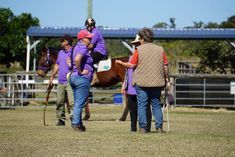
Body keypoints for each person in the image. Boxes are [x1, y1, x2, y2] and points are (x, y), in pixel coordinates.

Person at [116, 28, 170, 133]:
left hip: (142, 82)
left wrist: (121, 63)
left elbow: (132, 65)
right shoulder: (160, 49)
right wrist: (167, 78)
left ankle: (142, 127)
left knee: (142, 104)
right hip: (157, 82)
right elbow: (165, 66)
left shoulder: (138, 50)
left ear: (141, 39)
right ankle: (159, 127)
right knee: (156, 104)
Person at [120, 34, 152, 132]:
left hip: (143, 86)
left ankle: (147, 127)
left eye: (138, 43)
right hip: (131, 87)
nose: (137, 46)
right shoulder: (131, 57)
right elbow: (127, 72)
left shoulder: (148, 57)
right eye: (136, 44)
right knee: (133, 109)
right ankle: (133, 128)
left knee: (145, 107)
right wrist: (124, 85)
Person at [69, 30, 94, 132]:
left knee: (77, 102)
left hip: (73, 77)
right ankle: (76, 124)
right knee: (80, 103)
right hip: (81, 78)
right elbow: (77, 60)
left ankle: (78, 123)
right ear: (83, 39)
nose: (90, 39)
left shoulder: (75, 47)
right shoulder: (83, 47)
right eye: (88, 38)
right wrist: (80, 71)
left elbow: (71, 60)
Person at [83, 18, 108, 120]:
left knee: (87, 60)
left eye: (91, 25)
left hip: (99, 52)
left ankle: (94, 75)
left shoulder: (95, 33)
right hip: (95, 51)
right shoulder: (91, 32)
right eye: (90, 25)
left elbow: (91, 45)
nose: (90, 27)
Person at [48, 34, 74, 126]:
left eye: (62, 41)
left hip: (71, 81)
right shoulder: (60, 53)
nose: (60, 43)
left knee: (72, 102)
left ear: (66, 42)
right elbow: (57, 65)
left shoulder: (74, 52)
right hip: (61, 81)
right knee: (59, 101)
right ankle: (61, 119)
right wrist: (51, 77)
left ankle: (73, 118)